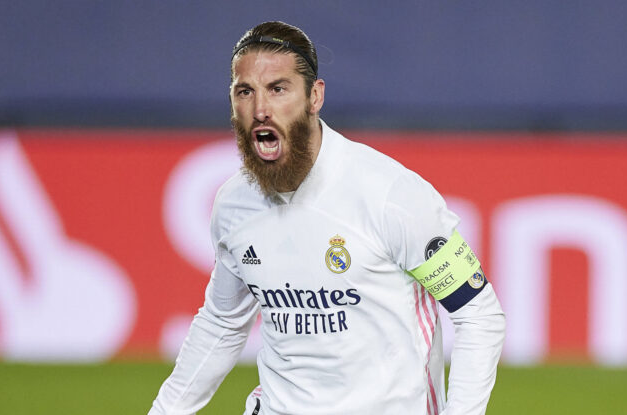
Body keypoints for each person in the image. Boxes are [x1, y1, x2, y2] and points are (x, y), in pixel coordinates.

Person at [148, 21, 505, 415]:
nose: (260, 109)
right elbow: (223, 322)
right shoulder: (234, 204)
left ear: (314, 97)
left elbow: (478, 312)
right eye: (245, 91)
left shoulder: (391, 194)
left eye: (278, 88)